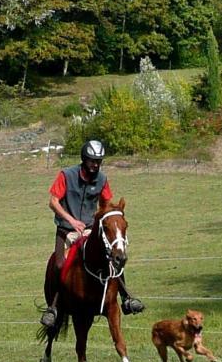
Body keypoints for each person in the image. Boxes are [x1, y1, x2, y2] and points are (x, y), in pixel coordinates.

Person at [40, 139, 144, 328]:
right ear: (84, 159)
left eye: (98, 161)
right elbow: (53, 202)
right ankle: (53, 307)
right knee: (59, 263)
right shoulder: (66, 175)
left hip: (89, 229)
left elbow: (106, 205)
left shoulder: (102, 179)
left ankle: (126, 298)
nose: (95, 165)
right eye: (92, 161)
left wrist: (106, 221)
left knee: (113, 257)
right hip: (66, 229)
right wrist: (71, 221)